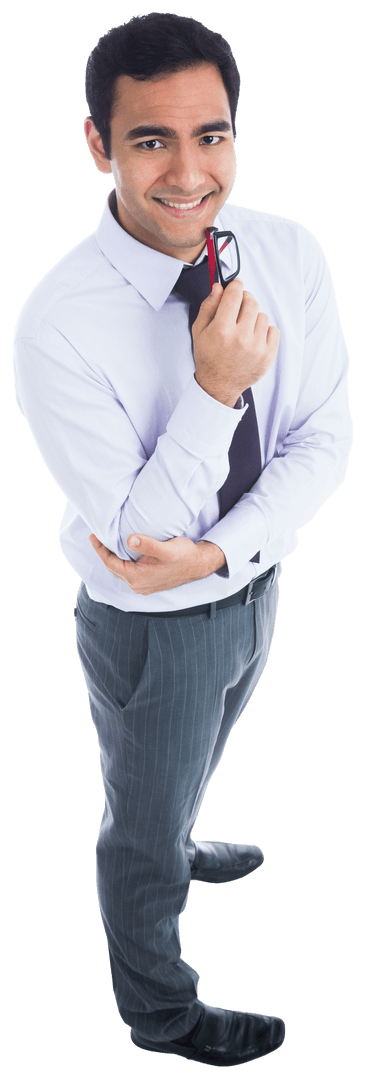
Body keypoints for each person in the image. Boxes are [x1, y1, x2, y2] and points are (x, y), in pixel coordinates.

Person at [12, 11, 353, 1068]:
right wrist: (214, 390)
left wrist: (223, 555)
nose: (190, 172)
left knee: (196, 755)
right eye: (151, 140)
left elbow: (325, 439)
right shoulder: (58, 323)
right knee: (136, 831)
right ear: (98, 145)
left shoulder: (287, 251)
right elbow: (140, 540)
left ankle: (177, 829)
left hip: (255, 585)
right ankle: (162, 1014)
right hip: (150, 628)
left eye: (211, 136)